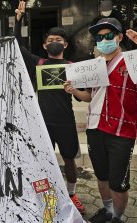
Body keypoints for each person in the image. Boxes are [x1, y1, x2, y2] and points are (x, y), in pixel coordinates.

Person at [14, 1, 85, 214]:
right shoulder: (39, 64)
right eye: (51, 40)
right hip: (42, 122)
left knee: (70, 159)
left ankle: (72, 195)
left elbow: (84, 96)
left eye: (59, 40)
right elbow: (17, 44)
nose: (55, 42)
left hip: (65, 121)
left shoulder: (73, 68)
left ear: (65, 45)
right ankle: (46, 197)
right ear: (45, 46)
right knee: (42, 161)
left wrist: (75, 90)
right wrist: (18, 21)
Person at [64, 18, 137, 223]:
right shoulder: (94, 67)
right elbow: (90, 97)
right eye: (99, 37)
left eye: (109, 35)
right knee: (102, 176)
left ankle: (118, 218)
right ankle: (107, 211)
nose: (104, 40)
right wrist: (74, 90)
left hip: (122, 131)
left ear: (120, 37)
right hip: (95, 128)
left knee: (117, 183)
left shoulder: (131, 62)